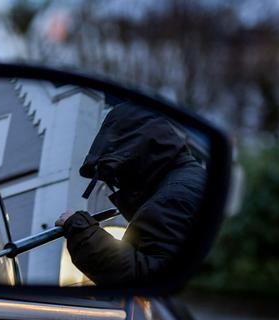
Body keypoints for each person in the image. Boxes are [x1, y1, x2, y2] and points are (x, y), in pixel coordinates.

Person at [55, 102, 206, 285]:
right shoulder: (188, 178)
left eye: (118, 172)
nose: (118, 182)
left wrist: (79, 229)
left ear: (133, 157)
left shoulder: (170, 199)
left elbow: (146, 277)